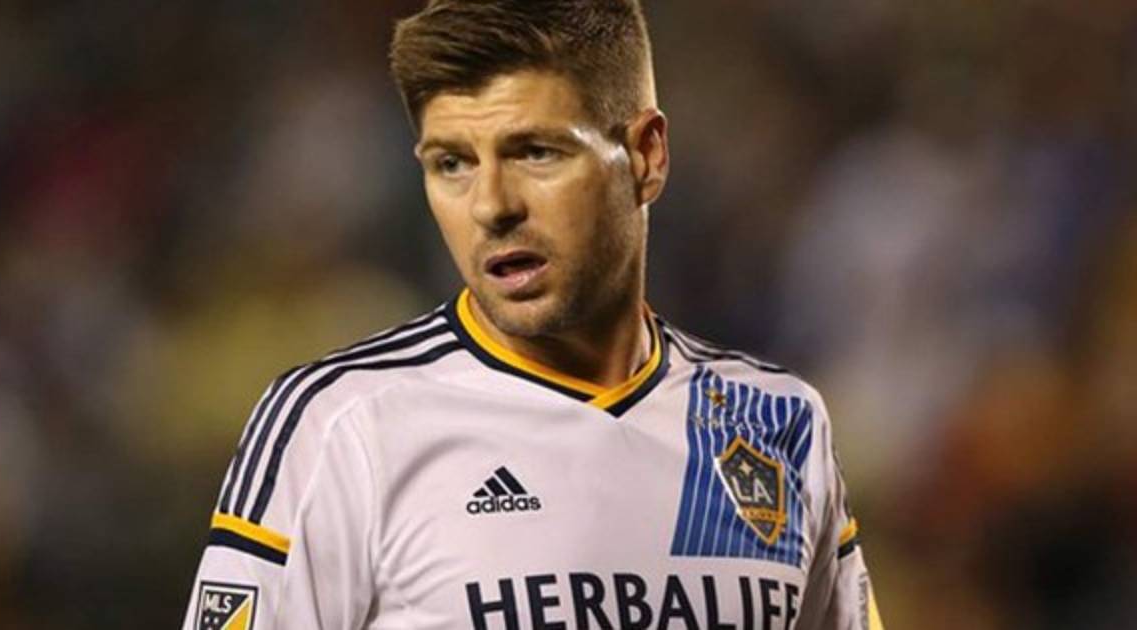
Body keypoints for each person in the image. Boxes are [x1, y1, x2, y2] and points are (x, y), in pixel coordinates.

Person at [181, 1, 883, 628]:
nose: (491, 205)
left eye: (536, 152)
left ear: (646, 156)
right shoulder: (344, 424)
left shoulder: (778, 421)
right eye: (451, 163)